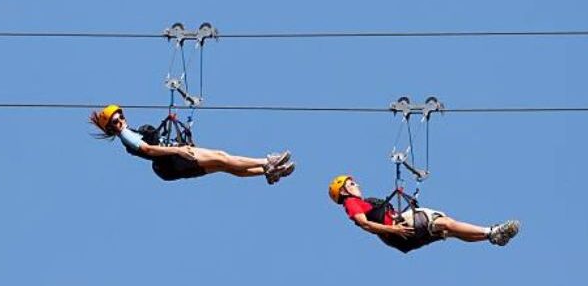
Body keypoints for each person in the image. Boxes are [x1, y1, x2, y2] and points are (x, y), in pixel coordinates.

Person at [91, 104, 295, 184]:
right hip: (176, 159)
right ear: (112, 128)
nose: (120, 122)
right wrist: (178, 148)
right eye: (115, 122)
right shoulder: (126, 135)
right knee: (223, 157)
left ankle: (268, 171)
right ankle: (268, 161)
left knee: (225, 166)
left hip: (173, 168)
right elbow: (148, 149)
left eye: (120, 117)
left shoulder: (129, 133)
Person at [328, 175, 519, 253]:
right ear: (343, 191)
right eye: (351, 184)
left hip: (402, 239)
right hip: (400, 232)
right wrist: (392, 229)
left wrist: (393, 228)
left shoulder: (362, 202)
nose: (357, 184)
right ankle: (492, 232)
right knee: (444, 223)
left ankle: (492, 236)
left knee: (449, 230)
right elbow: (365, 224)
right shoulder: (351, 203)